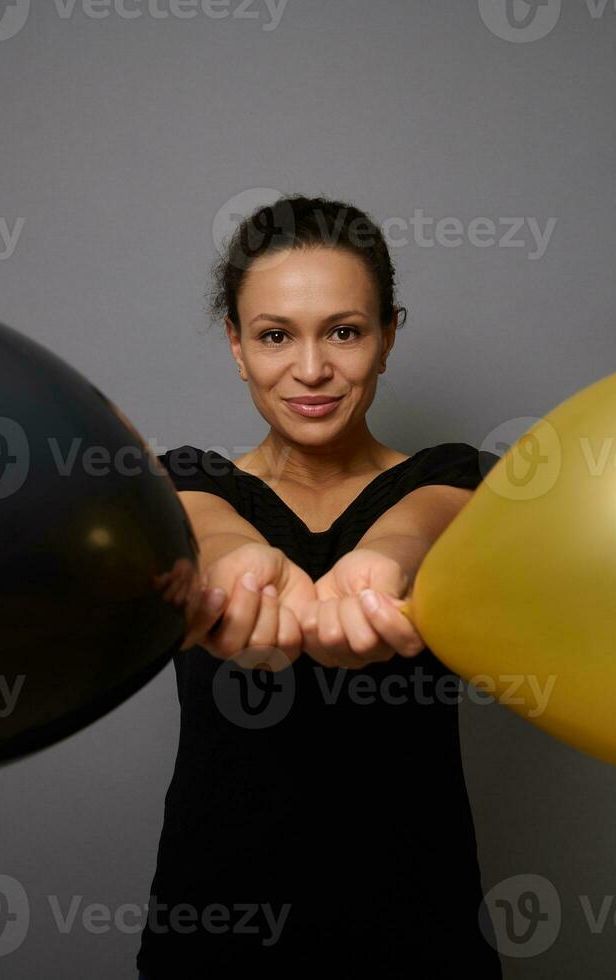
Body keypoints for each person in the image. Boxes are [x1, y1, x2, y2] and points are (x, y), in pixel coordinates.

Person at [137, 196, 503, 977]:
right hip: (217, 927)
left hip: (417, 928)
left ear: (387, 336)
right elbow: (208, 527)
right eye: (275, 336)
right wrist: (236, 564)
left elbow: (419, 523)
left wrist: (381, 567)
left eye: (343, 331)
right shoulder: (185, 483)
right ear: (236, 345)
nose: (310, 369)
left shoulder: (457, 477)